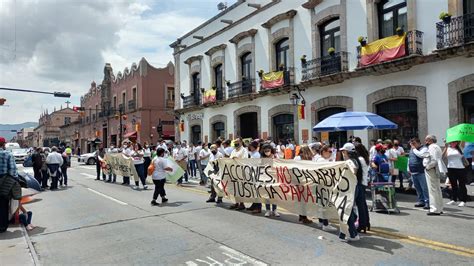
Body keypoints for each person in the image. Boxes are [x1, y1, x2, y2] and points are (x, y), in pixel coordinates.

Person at [417, 135, 445, 215]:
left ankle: (434, 209)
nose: (425, 141)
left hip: (431, 169)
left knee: (432, 190)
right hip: (434, 169)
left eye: (426, 140)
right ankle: (439, 208)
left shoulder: (432, 147)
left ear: (430, 140)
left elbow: (433, 160)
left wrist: (428, 167)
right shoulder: (436, 147)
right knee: (437, 189)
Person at [339, 143, 360, 241]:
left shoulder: (351, 161)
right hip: (349, 188)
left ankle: (352, 234)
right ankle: (345, 233)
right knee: (347, 210)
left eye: (343, 151)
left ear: (347, 152)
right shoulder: (352, 160)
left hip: (351, 189)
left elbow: (354, 170)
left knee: (347, 211)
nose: (342, 153)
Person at [0, 136, 18, 233]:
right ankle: (2, 226)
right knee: (3, 205)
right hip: (4, 182)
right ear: (3, 144)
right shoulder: (7, 154)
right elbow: (12, 170)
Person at [443, 141, 468, 207]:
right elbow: (444, 157)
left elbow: (462, 142)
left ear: (457, 143)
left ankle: (463, 200)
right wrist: (445, 147)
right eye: (452, 142)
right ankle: (454, 199)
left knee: (462, 185)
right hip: (450, 168)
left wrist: (462, 138)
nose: (453, 144)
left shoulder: (460, 148)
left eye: (455, 142)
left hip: (460, 168)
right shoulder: (448, 148)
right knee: (453, 184)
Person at [294, 145, 314, 224]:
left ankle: (301, 216)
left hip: (298, 180)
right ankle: (303, 217)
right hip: (305, 180)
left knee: (301, 199)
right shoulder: (309, 159)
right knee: (304, 200)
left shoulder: (297, 158)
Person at [408, 138, 430, 209]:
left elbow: (421, 155)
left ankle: (427, 202)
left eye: (414, 143)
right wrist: (408, 168)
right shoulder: (412, 149)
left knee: (424, 188)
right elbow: (410, 158)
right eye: (411, 144)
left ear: (418, 143)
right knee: (417, 188)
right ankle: (421, 201)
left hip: (421, 171)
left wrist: (414, 149)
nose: (412, 145)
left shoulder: (424, 148)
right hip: (413, 171)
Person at [259, 144, 280, 217]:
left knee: (274, 195)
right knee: (267, 194)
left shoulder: (275, 156)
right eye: (265, 151)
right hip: (266, 178)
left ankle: (274, 210)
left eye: (268, 150)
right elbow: (260, 167)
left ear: (271, 150)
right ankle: (268, 210)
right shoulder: (262, 158)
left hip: (274, 178)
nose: (267, 152)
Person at [354, 143, 371, 233]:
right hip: (363, 182)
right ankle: (366, 223)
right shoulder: (364, 158)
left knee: (360, 205)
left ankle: (362, 224)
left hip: (360, 183)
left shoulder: (360, 159)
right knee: (363, 205)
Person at [229, 138, 248, 210]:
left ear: (240, 142)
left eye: (237, 142)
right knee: (235, 187)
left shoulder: (244, 150)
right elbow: (230, 158)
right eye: (235, 142)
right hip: (233, 170)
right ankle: (236, 202)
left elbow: (245, 159)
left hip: (240, 170)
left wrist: (236, 157)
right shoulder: (234, 150)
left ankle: (242, 203)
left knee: (240, 187)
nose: (236, 143)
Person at [247, 141, 262, 213]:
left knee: (257, 191)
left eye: (251, 146)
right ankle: (254, 204)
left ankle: (258, 207)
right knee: (253, 191)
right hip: (252, 173)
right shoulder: (252, 153)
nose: (250, 147)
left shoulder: (257, 154)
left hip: (255, 173)